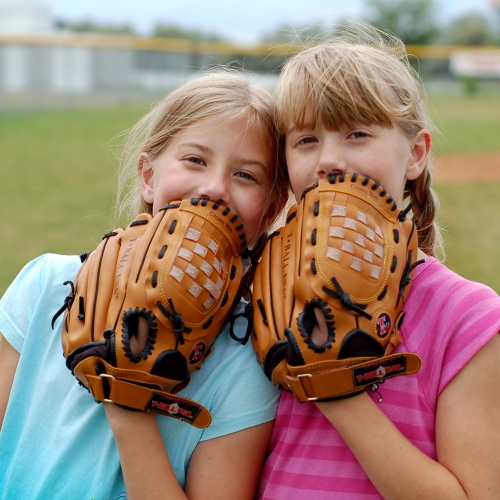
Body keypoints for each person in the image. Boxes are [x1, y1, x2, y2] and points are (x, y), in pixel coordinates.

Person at [0, 71, 288, 500]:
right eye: (194, 160)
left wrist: (126, 397)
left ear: (268, 214)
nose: (213, 188)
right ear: (149, 176)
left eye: (245, 175)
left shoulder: (246, 360)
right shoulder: (46, 285)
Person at [257, 25, 500, 500]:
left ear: (415, 154)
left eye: (357, 134)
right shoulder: (264, 293)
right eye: (305, 140)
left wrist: (331, 382)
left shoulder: (466, 316)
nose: (328, 159)